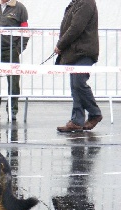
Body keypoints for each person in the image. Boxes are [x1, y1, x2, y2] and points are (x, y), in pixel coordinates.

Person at [55, 0, 102, 132]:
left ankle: (95, 113)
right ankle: (76, 120)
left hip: (84, 51)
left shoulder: (86, 2)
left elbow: (76, 27)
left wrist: (60, 44)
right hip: (75, 51)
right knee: (75, 85)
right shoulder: (76, 3)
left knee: (79, 83)